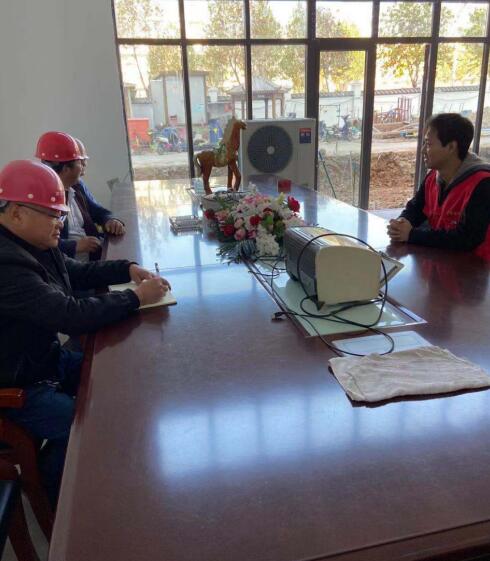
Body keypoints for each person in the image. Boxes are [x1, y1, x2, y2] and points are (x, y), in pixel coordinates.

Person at [0, 159, 170, 506]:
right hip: (18, 386)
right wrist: (136, 297)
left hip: (42, 361)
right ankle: (61, 503)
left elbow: (75, 273)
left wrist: (127, 268)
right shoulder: (7, 264)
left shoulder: (32, 243)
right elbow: (70, 315)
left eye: (61, 214)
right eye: (54, 215)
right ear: (17, 213)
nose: (61, 224)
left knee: (117, 375)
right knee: (87, 427)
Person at [387, 113, 490, 260]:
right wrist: (402, 222)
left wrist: (412, 235)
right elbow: (416, 208)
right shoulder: (433, 176)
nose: (423, 150)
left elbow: (467, 238)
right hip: (441, 261)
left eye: (428, 144)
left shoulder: (482, 183)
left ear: (451, 147)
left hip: (475, 268)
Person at [35, 131, 124, 261]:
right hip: (71, 266)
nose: (84, 166)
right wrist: (74, 246)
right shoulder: (42, 198)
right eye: (81, 162)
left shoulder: (77, 185)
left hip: (95, 257)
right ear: (66, 169)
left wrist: (110, 220)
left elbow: (97, 211)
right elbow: (40, 243)